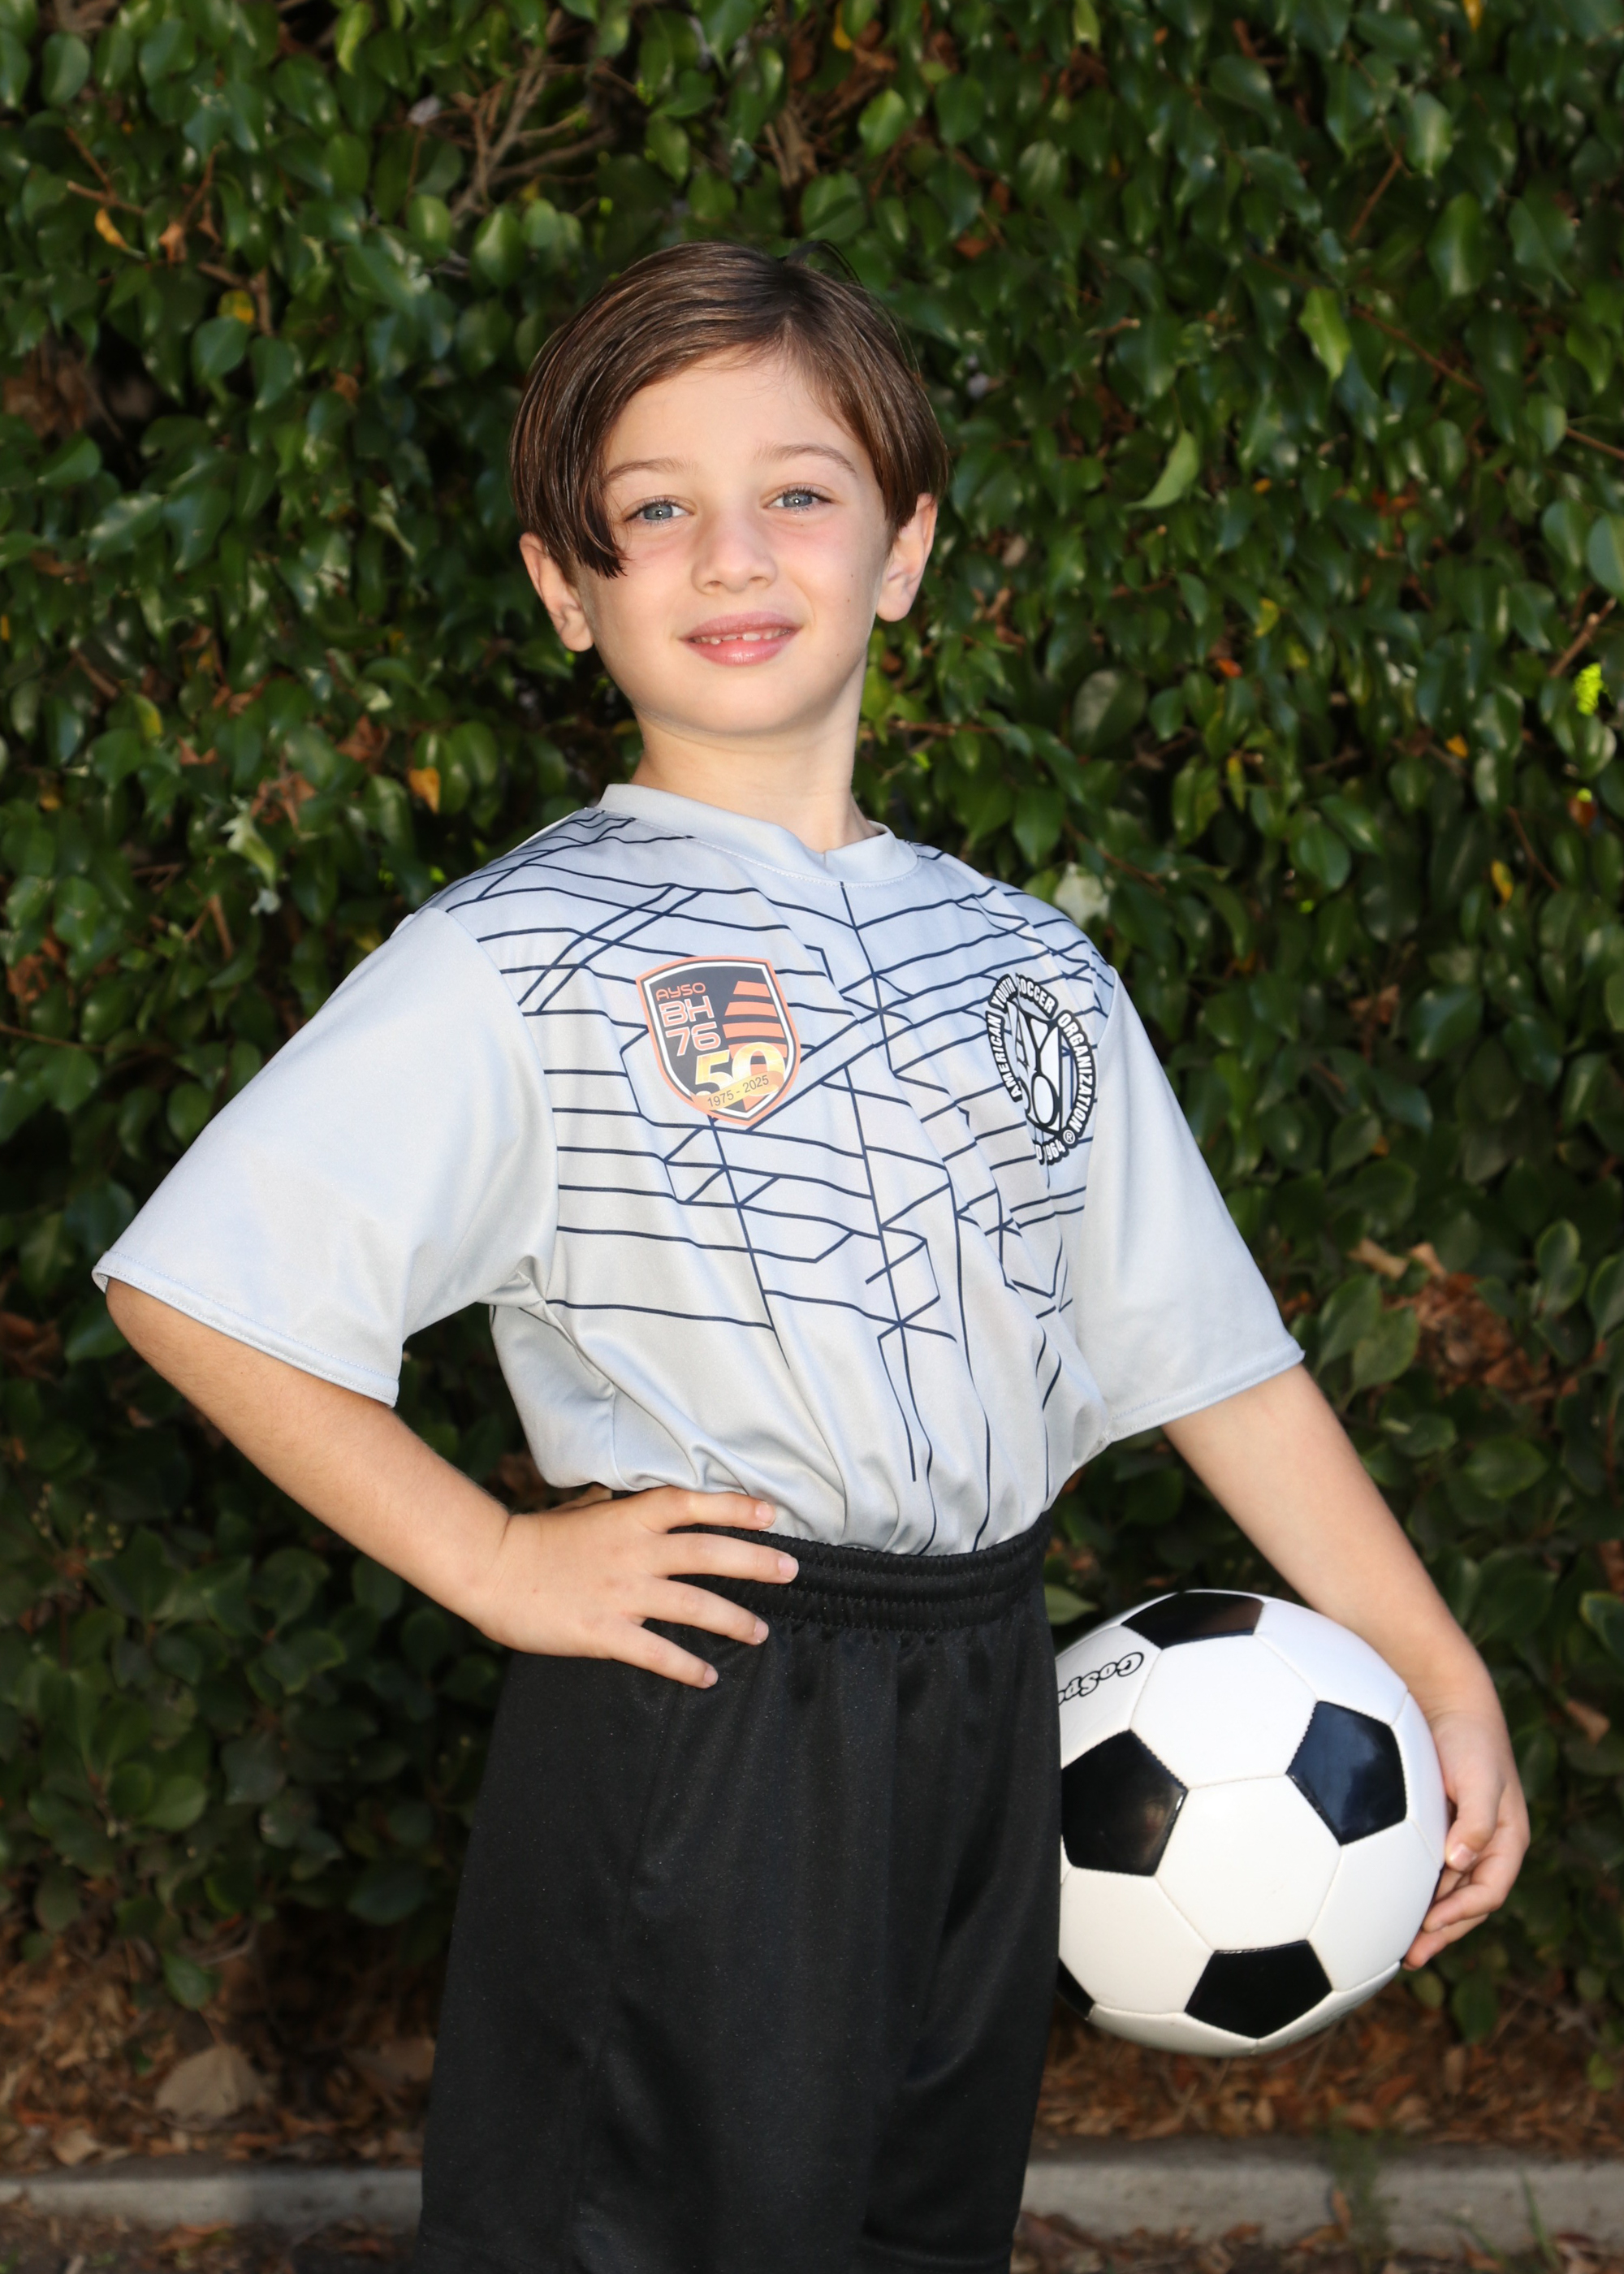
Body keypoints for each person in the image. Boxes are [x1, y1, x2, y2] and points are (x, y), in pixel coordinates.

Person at [98, 241, 1527, 2274]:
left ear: (905, 545)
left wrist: (1436, 1669)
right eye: (654, 508)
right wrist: (495, 1557)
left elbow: (1212, 1357)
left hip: (984, 1684)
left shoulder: (1029, 964)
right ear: (566, 587)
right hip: (704, 1700)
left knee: (905, 2230)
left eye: (797, 490)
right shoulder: (517, 953)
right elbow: (197, 1286)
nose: (731, 551)